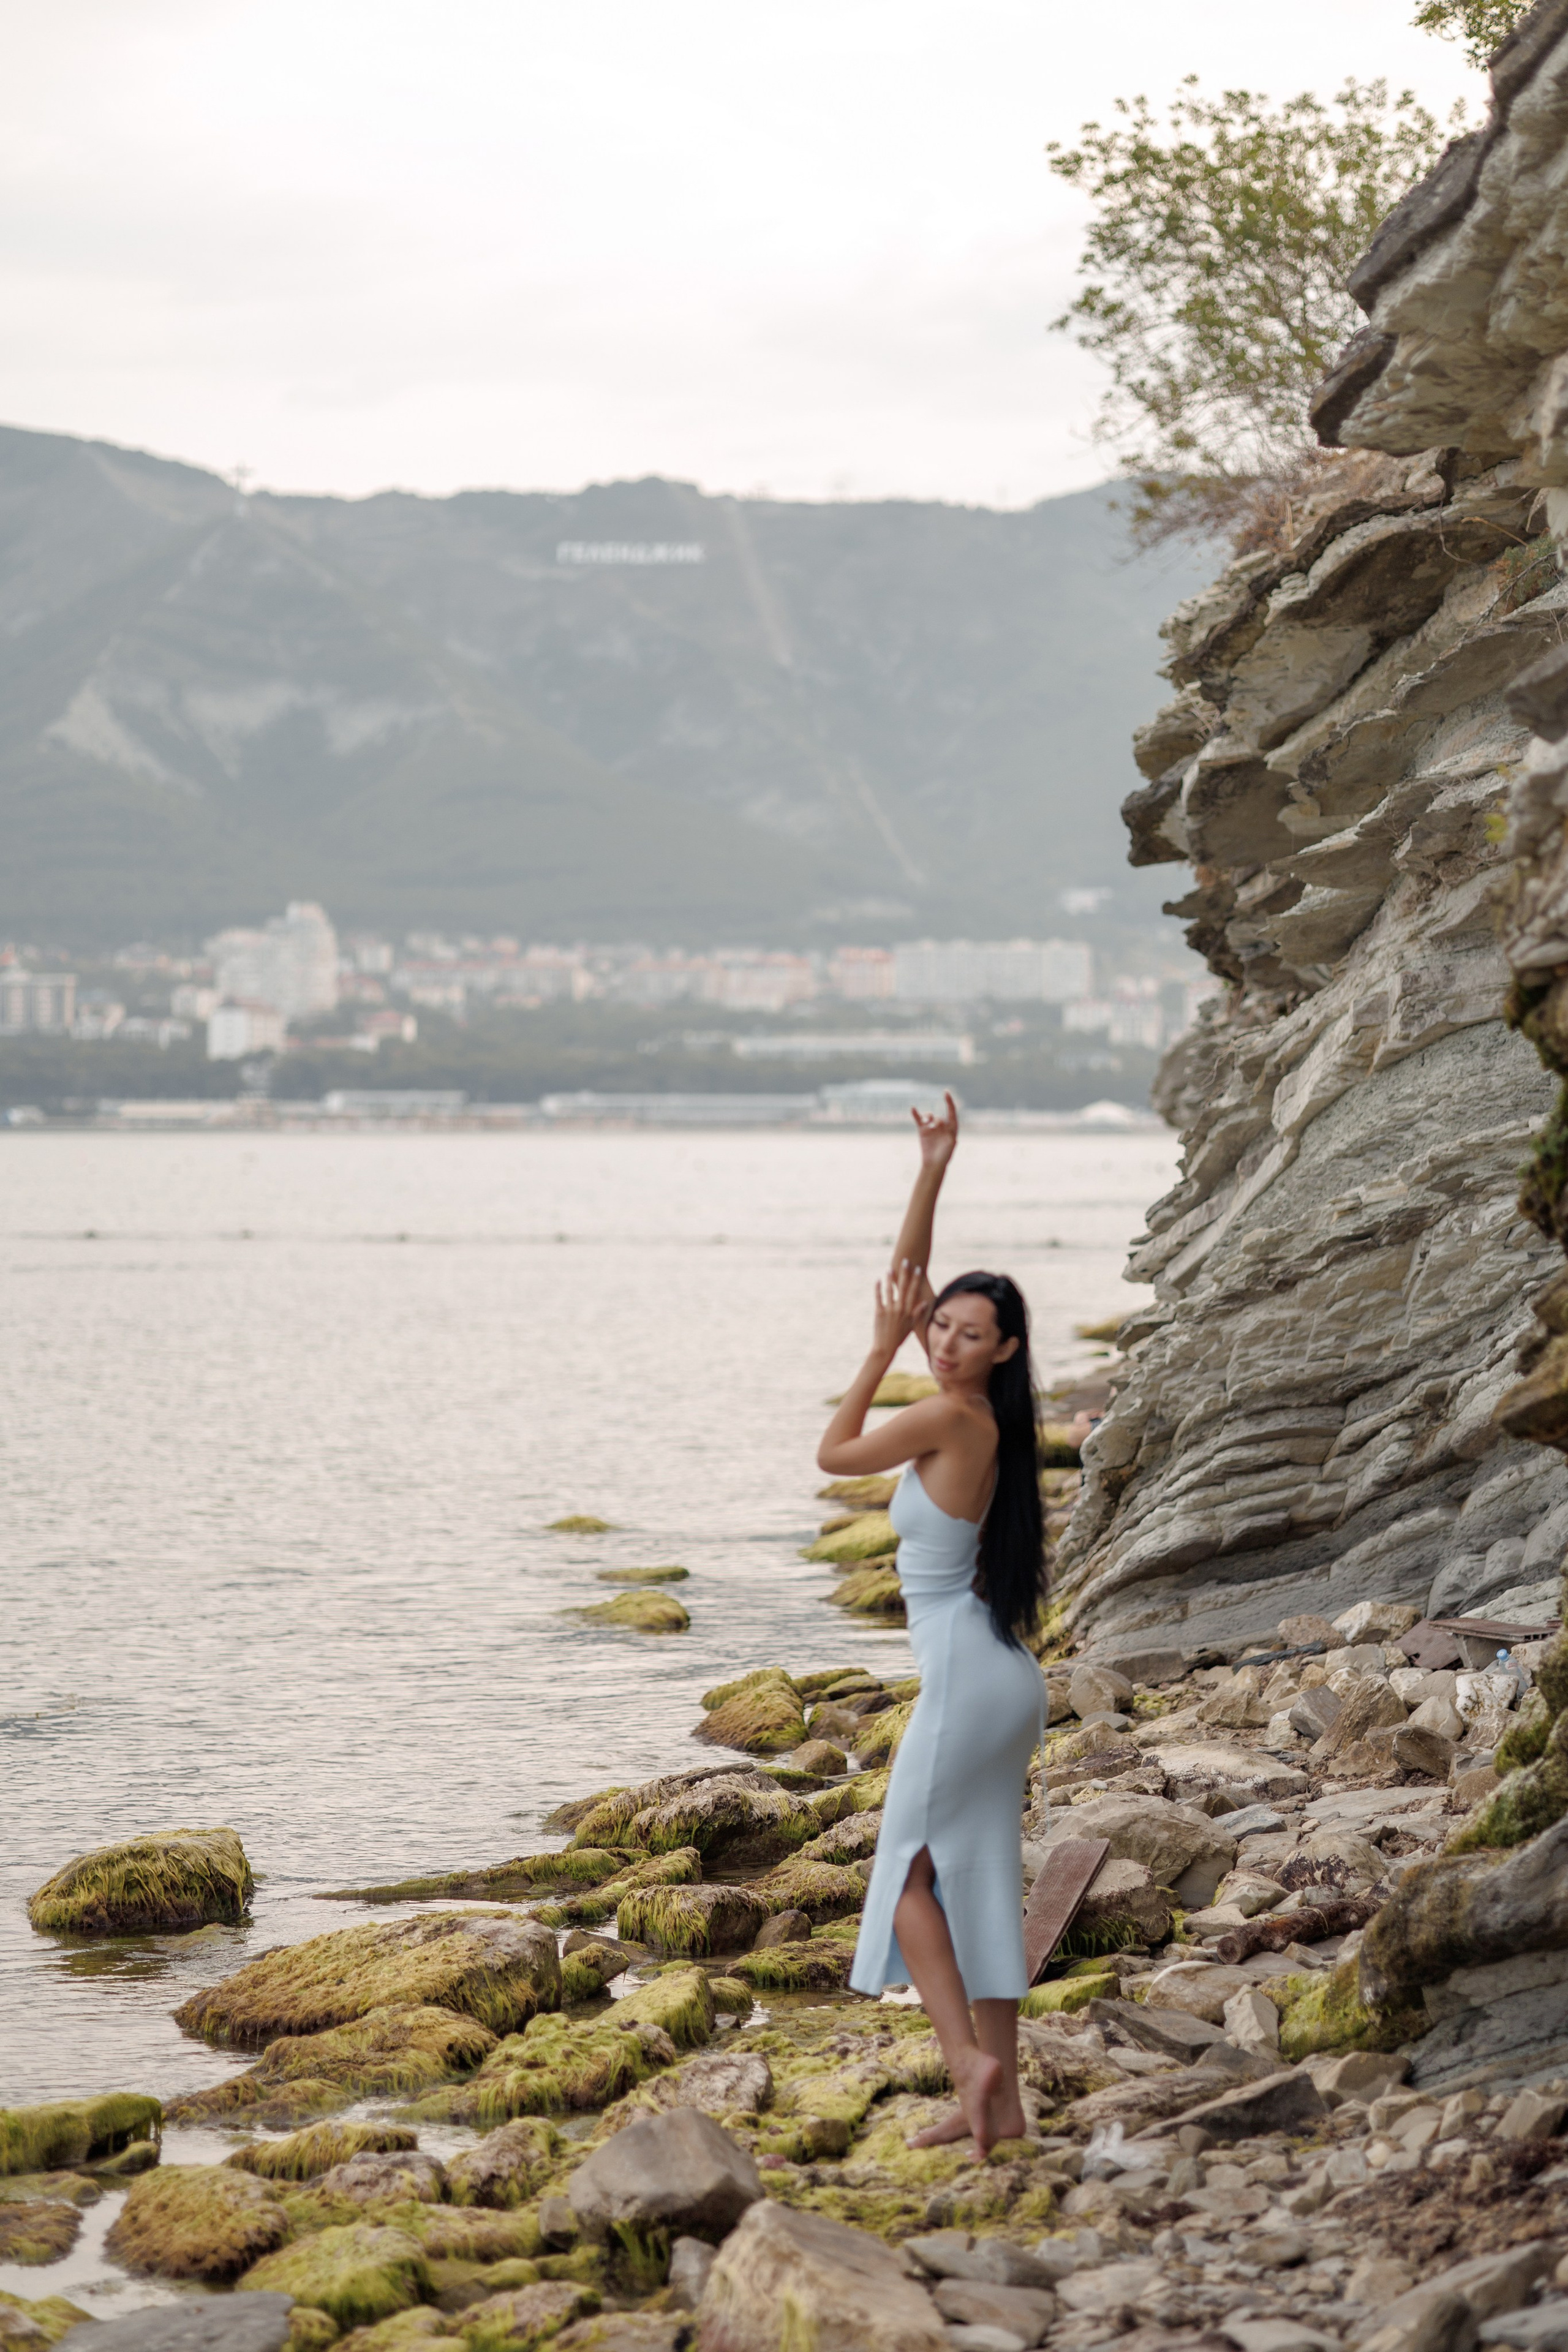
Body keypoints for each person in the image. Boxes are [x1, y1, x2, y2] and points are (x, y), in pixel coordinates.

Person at [816, 1091, 1047, 2157]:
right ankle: (996, 2108)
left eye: (968, 1334)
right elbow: (917, 1284)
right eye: (937, 1329)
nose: (943, 1341)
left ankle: (971, 2065)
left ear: (1004, 1351)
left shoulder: (943, 1412)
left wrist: (873, 1352)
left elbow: (835, 1455)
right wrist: (932, 1172)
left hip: (964, 1676)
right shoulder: (984, 1411)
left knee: (909, 1878)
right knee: (979, 1880)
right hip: (1002, 1673)